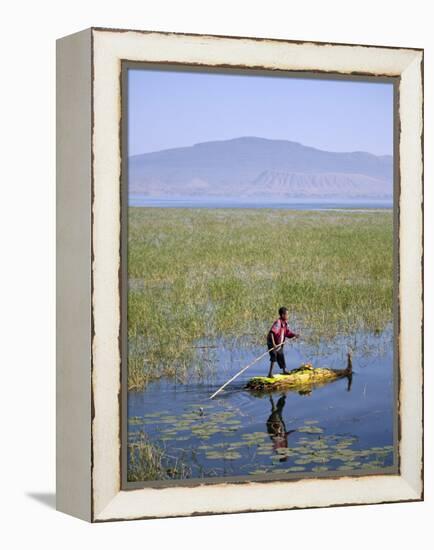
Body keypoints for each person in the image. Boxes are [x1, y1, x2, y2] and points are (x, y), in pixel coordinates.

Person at [267, 306, 299, 378]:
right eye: (287, 314)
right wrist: (274, 344)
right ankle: (270, 373)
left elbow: (287, 333)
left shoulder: (285, 323)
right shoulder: (278, 323)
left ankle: (284, 370)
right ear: (282, 315)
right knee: (274, 356)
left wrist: (294, 335)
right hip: (272, 342)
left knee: (281, 355)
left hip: (279, 343)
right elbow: (272, 333)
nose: (288, 316)